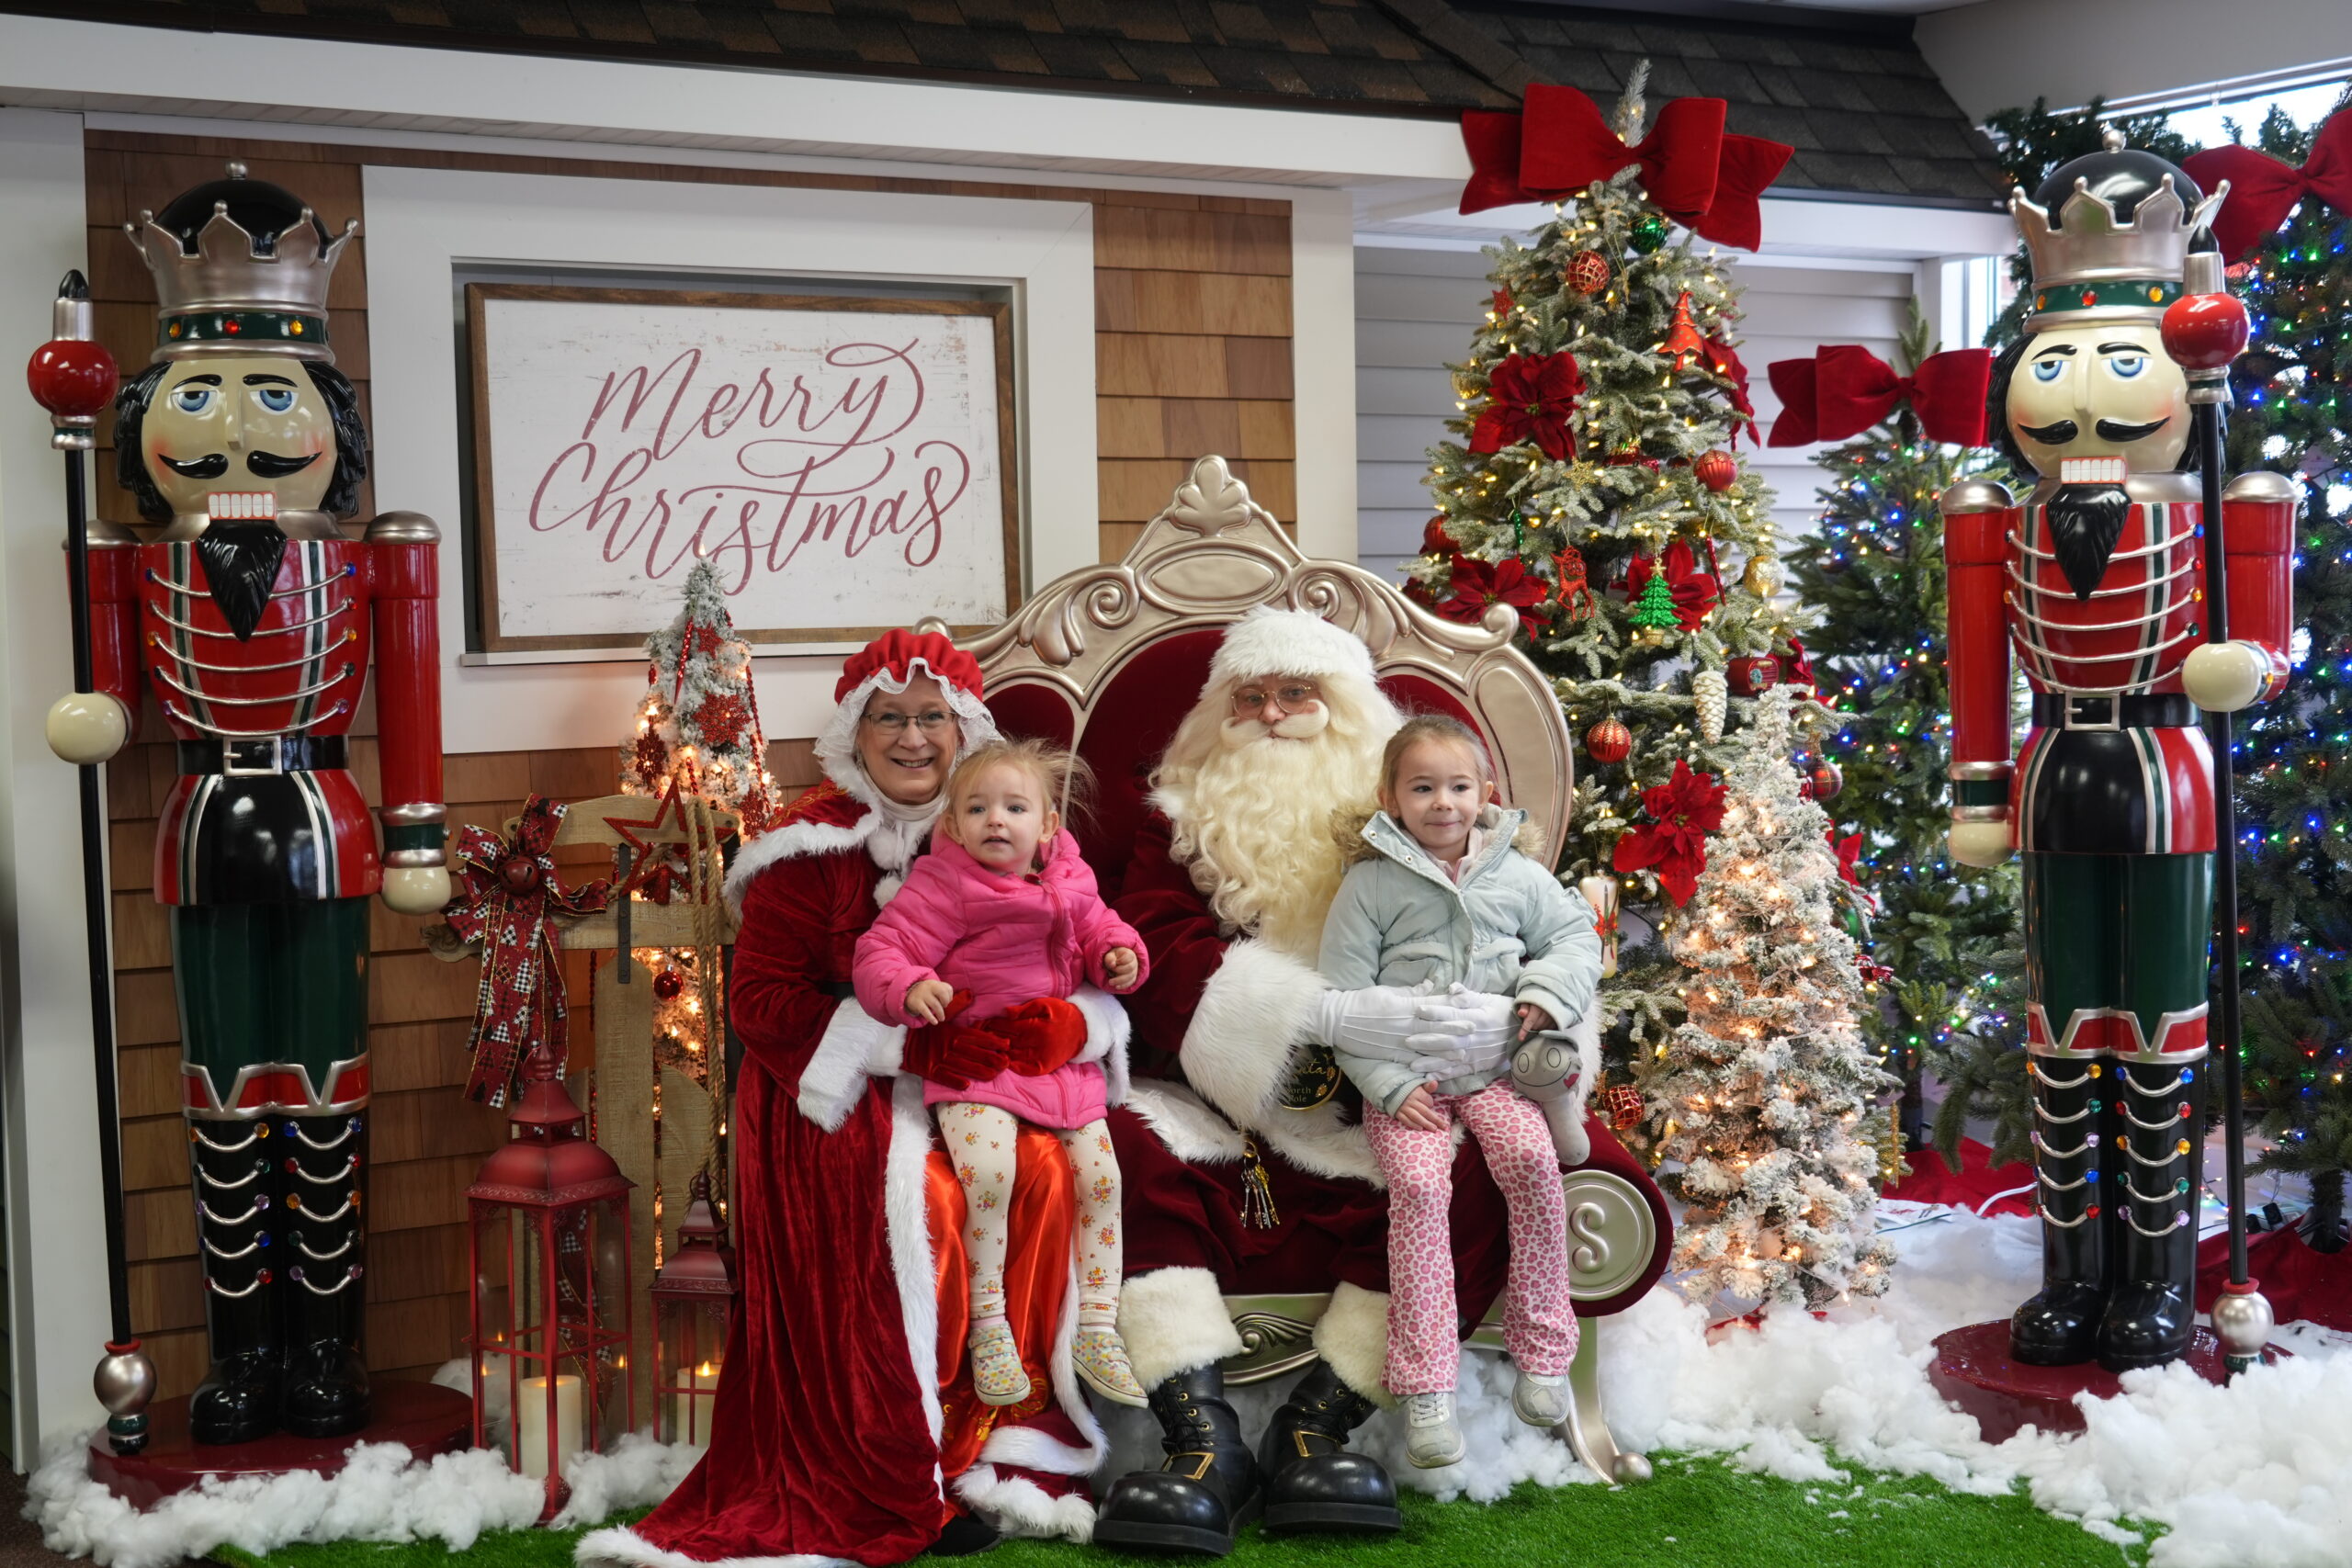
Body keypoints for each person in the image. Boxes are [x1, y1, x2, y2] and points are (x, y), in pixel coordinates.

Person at [581, 631, 1117, 1568]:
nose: (912, 738)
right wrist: (904, 1044)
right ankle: (900, 1460)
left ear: (964, 730)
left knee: (1043, 1169)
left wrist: (1076, 1026)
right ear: (854, 734)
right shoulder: (807, 846)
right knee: (928, 1203)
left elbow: (1091, 948)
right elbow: (759, 1002)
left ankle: (990, 1436)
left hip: (991, 1076)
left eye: (931, 718)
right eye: (888, 718)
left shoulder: (1017, 825)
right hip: (835, 1090)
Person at [1094, 606, 1526, 1554]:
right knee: (1112, 1147)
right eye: (1249, 697)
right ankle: (1202, 1442)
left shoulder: (1419, 824)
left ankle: (1316, 1427)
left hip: (1386, 1100)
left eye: (1298, 694)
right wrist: (1309, 1022)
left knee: (1485, 1166)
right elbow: (1152, 949)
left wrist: (1431, 1030)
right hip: (1211, 1106)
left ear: (1351, 711)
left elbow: (1497, 940)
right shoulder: (1178, 822)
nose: (1271, 714)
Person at [1319, 715, 1601, 1468]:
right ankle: (1426, 1385)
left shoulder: (1516, 874)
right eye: (1422, 788)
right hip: (1409, 1077)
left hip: (1497, 1068)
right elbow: (1340, 999)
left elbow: (1576, 938)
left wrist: (1544, 992)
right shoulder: (1370, 883)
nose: (1442, 803)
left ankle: (1545, 1351)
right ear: (1391, 797)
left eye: (1457, 787)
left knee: (1533, 1163)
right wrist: (1387, 1085)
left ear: (1484, 793)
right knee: (1418, 1188)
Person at [854, 739, 1150, 1408]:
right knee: (989, 1174)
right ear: (954, 825)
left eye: (1015, 808)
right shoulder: (946, 885)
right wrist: (909, 986)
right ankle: (989, 1324)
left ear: (1047, 825)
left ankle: (1097, 1326)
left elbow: (1104, 931)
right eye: (978, 809)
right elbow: (883, 948)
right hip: (979, 1063)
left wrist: (1119, 957)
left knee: (1102, 1179)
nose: (996, 820)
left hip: (1057, 1066)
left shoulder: (1072, 879)